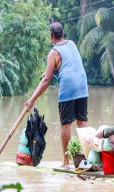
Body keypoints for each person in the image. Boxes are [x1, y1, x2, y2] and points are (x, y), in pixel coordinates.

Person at [25, 22, 89, 168]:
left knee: (66, 125)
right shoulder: (72, 44)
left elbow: (46, 81)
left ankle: (66, 162)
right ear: (63, 34)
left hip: (69, 88)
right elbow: (68, 64)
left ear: (51, 36)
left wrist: (32, 100)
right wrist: (52, 70)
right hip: (82, 86)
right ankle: (87, 160)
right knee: (83, 124)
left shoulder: (53, 52)